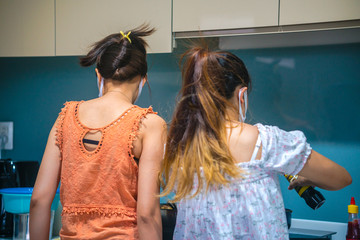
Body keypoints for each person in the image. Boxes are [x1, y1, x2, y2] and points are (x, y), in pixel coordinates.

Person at [159, 46, 352, 239]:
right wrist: (309, 177)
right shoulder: (266, 142)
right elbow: (341, 178)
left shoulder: (177, 147)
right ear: (241, 95)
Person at [30, 25, 165, 240]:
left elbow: (38, 201)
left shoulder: (65, 117)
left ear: (99, 75)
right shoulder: (149, 124)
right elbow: (147, 214)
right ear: (143, 79)